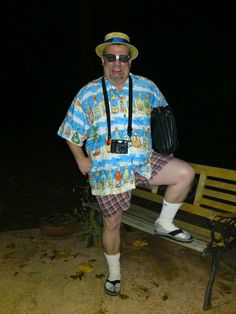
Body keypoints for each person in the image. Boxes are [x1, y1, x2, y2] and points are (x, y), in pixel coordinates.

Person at [57, 32, 195, 296]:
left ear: (130, 61)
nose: (117, 64)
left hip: (143, 161)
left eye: (123, 58)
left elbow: (163, 113)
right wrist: (81, 161)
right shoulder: (87, 93)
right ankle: (115, 273)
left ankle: (164, 223)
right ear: (103, 60)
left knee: (184, 173)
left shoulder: (147, 86)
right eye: (111, 58)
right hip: (108, 170)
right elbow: (69, 132)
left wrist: (163, 137)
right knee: (112, 225)